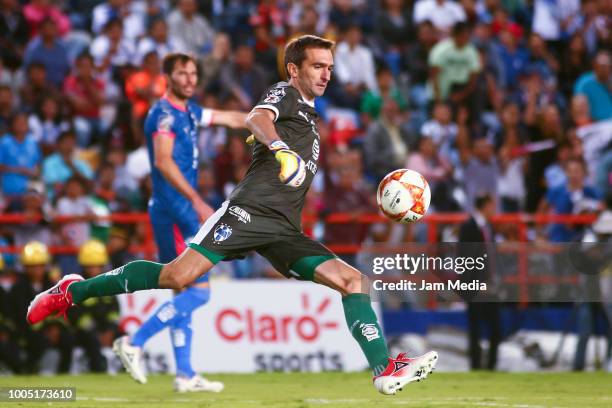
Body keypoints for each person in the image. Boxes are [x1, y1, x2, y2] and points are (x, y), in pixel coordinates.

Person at [27, 35, 438, 396]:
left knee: (354, 281)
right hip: (247, 212)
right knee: (177, 277)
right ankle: (72, 291)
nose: (326, 73)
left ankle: (383, 369)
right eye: (317, 65)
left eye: (329, 67)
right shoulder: (285, 94)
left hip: (282, 228)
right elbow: (257, 118)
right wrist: (279, 149)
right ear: (294, 69)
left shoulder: (312, 117)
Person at [114, 52, 245, 393]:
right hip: (177, 210)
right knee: (199, 293)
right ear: (167, 78)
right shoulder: (164, 116)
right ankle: (134, 342)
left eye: (192, 74)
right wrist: (197, 200)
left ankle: (185, 374)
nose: (189, 79)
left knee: (184, 290)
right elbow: (163, 161)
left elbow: (228, 118)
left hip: (173, 209)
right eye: (181, 73)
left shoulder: (190, 111)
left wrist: (263, 121)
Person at [458, 193, 501, 370]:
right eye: (492, 205)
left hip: (490, 286)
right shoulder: (468, 227)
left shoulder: (488, 227)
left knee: (495, 328)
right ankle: (476, 366)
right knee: (475, 328)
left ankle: (491, 366)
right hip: (476, 286)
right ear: (485, 206)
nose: (494, 210)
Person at [69, 240, 120, 373]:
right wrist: (95, 332)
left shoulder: (109, 284)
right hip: (85, 332)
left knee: (124, 337)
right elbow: (76, 314)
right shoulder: (76, 286)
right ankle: (98, 371)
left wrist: (110, 330)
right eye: (90, 266)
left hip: (105, 328)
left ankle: (124, 371)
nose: (93, 269)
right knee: (93, 341)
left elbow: (115, 311)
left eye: (97, 266)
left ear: (102, 266)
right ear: (83, 266)